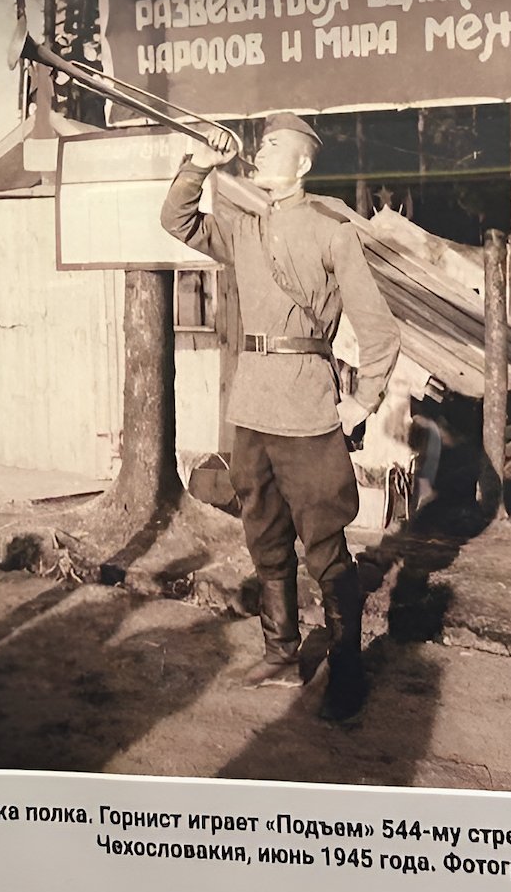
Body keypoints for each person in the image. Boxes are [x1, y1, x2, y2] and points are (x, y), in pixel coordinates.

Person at [159, 114, 401, 722]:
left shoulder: (332, 231)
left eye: (274, 146)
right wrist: (199, 166)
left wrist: (363, 400)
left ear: (303, 164)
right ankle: (281, 655)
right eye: (262, 144)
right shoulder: (245, 228)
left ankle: (347, 670)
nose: (261, 152)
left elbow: (379, 329)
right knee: (263, 536)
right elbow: (177, 222)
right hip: (253, 407)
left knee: (324, 545)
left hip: (308, 410)